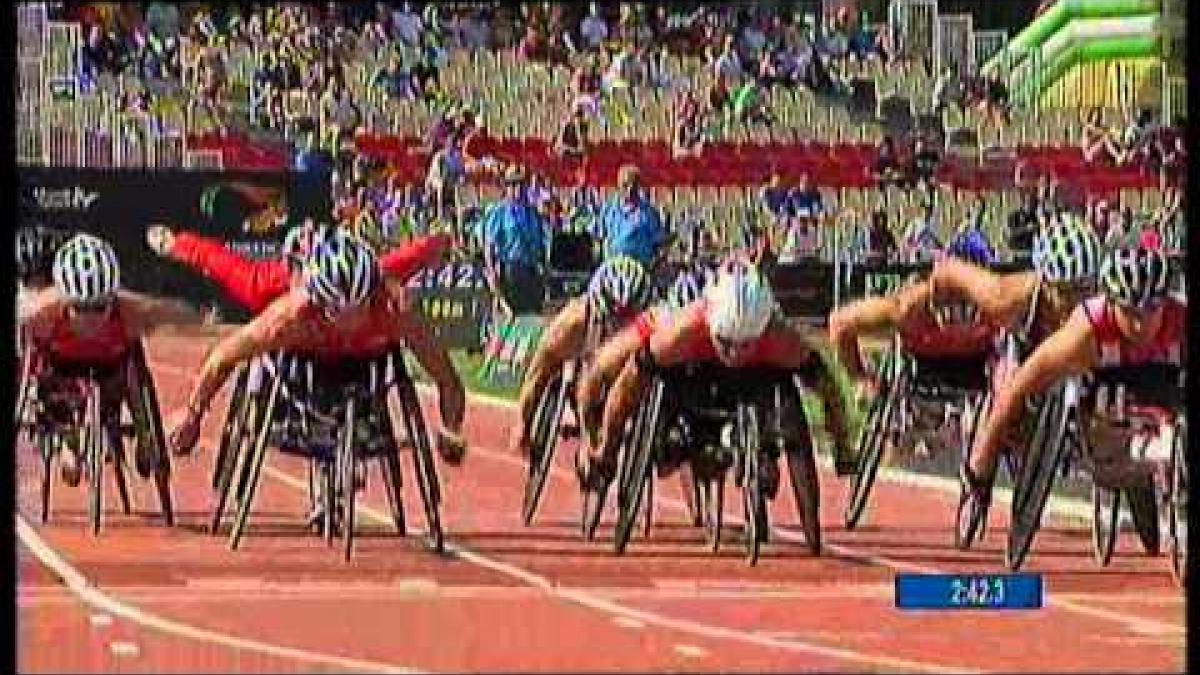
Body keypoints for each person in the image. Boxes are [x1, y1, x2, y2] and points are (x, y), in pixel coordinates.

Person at [167, 230, 467, 463]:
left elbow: (448, 380)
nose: (349, 320)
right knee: (246, 285)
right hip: (305, 363)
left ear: (371, 293)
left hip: (364, 366)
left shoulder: (394, 310)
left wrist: (451, 429)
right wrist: (193, 414)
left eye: (358, 308)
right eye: (337, 310)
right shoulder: (285, 313)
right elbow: (223, 356)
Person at [576, 263, 854, 493]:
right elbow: (621, 381)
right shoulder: (678, 329)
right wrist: (605, 446)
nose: (735, 354)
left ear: (762, 329)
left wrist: (842, 444)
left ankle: (763, 446)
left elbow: (828, 386)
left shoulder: (783, 340)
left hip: (755, 378)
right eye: (727, 343)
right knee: (630, 373)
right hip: (688, 374)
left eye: (746, 344)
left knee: (813, 377)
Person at [926, 217, 1105, 518]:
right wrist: (936, 303)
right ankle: (979, 477)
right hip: (1021, 347)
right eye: (1066, 292)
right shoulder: (1006, 295)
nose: (1075, 301)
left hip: (1074, 355)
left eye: (1083, 289)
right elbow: (949, 272)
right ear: (1045, 283)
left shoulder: (1101, 305)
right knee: (1008, 395)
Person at [969, 247, 1185, 493]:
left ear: (1166, 303)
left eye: (1151, 310)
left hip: (1161, 385)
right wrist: (982, 460)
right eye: (1130, 312)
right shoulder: (1086, 330)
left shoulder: (1180, 319)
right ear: (1113, 304)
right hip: (1105, 401)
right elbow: (1020, 384)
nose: (1140, 324)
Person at [21, 234, 210, 485]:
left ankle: (146, 440)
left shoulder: (131, 311)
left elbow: (176, 313)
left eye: (99, 307)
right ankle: (69, 443)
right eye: (80, 308)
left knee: (134, 364)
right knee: (44, 378)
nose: (90, 320)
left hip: (110, 372)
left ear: (111, 299)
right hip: (60, 376)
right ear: (64, 301)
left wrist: (198, 315)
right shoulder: (40, 314)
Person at [828, 238, 1002, 472]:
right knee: (897, 449)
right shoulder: (908, 307)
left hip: (976, 369)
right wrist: (860, 379)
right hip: (921, 367)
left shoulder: (1000, 304)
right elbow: (840, 323)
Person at [511, 256, 652, 456]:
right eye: (614, 316)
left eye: (626, 317)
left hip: (610, 372)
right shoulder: (572, 323)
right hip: (583, 349)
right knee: (544, 371)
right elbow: (536, 375)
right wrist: (523, 424)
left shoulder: (645, 326)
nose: (618, 324)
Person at [146, 223, 451, 315]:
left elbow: (409, 255)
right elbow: (216, 259)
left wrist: (441, 241)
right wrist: (176, 245)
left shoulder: (359, 274)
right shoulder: (263, 283)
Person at [481, 164, 549, 314]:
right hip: (510, 270)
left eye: (521, 184)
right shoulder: (499, 213)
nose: (518, 189)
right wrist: (492, 273)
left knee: (533, 315)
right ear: (507, 188)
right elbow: (489, 247)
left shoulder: (533, 213)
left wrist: (544, 267)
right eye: (513, 185)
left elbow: (541, 243)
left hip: (531, 270)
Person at [592, 164, 669, 270]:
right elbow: (597, 238)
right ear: (618, 185)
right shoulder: (607, 210)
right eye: (625, 185)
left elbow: (660, 243)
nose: (629, 190)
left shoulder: (649, 213)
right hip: (612, 268)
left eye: (633, 186)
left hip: (641, 268)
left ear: (638, 186)